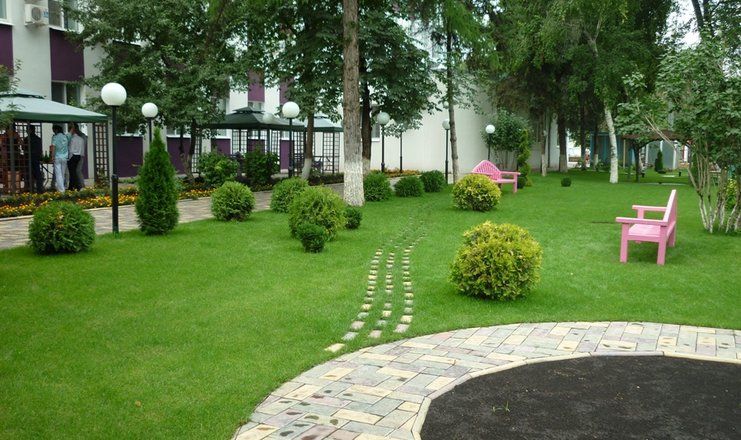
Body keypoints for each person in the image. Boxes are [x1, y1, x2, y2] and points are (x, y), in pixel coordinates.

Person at [67, 123, 86, 190]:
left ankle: (76, 186)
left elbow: (71, 150)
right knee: (75, 172)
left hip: (72, 156)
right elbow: (82, 149)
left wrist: (69, 158)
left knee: (72, 173)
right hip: (79, 156)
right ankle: (73, 186)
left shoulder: (72, 139)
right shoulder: (81, 139)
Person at [26, 125, 44, 193]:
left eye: (27, 129)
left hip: (28, 158)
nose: (26, 131)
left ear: (30, 130)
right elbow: (40, 149)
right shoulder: (38, 139)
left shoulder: (26, 139)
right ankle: (39, 189)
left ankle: (29, 188)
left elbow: (23, 148)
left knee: (28, 174)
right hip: (36, 158)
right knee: (37, 174)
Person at [51, 124, 69, 193]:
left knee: (58, 174)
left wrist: (52, 156)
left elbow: (53, 147)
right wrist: (72, 126)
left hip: (57, 157)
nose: (53, 132)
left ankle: (61, 190)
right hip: (64, 157)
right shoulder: (66, 136)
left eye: (53, 130)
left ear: (56, 130)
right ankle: (61, 187)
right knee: (62, 173)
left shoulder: (55, 137)